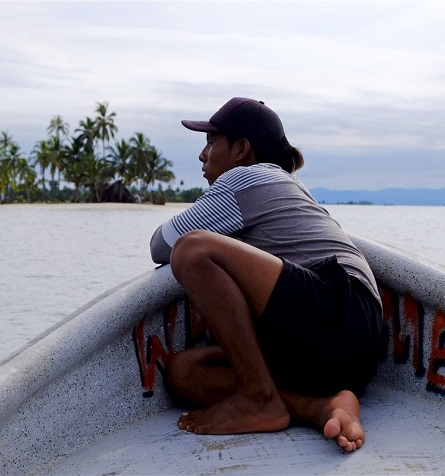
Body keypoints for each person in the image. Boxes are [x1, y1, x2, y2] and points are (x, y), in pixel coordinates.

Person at [149, 97, 382, 452]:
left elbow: (161, 245)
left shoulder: (246, 178)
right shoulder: (289, 184)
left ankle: (258, 398)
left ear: (242, 149)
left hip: (340, 311)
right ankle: (323, 406)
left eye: (211, 142)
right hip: (348, 352)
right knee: (184, 372)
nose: (202, 155)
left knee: (192, 249)